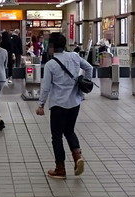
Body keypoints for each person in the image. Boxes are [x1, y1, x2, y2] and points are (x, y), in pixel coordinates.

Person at [36, 32, 93, 180]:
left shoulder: (50, 64)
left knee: (56, 137)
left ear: (53, 46)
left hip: (58, 105)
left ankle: (60, 169)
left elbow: (46, 87)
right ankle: (77, 156)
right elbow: (89, 68)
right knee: (69, 131)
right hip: (75, 102)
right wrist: (84, 83)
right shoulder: (74, 56)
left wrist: (41, 104)